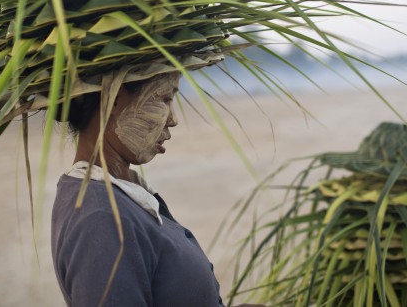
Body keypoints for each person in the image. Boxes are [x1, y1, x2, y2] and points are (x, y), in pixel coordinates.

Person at [51, 71, 265, 306]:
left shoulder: (118, 194)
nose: (173, 119)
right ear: (113, 97)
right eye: (165, 99)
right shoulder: (101, 218)